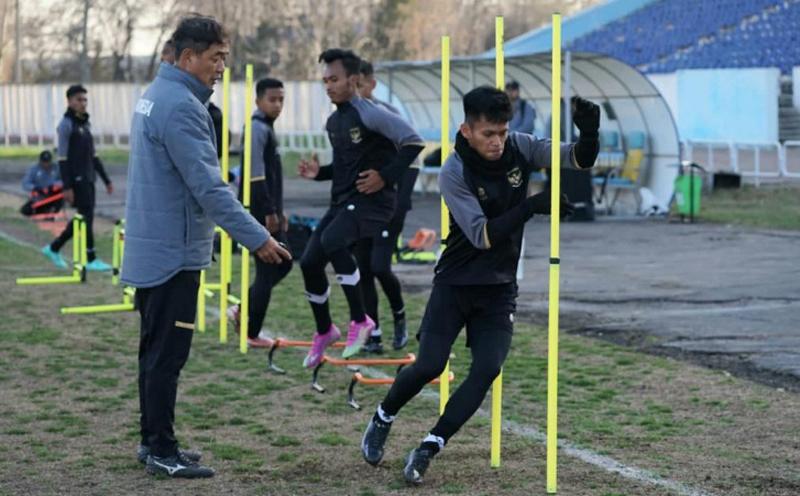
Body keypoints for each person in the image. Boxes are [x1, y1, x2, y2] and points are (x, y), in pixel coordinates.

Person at [360, 86, 600, 485]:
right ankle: (382, 417)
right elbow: (481, 235)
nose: (497, 141)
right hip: (455, 283)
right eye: (489, 133)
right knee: (430, 365)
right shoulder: (454, 171)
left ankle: (429, 446)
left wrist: (590, 134)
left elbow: (575, 159)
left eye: (502, 132)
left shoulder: (520, 146)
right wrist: (530, 206)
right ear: (467, 130)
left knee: (488, 367)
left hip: (499, 287)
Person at [122, 14, 291, 479]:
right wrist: (258, 238)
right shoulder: (180, 106)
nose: (221, 67)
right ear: (188, 56)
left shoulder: (159, 95)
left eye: (224, 58)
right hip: (171, 254)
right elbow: (210, 189)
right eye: (216, 58)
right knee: (166, 356)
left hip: (155, 247)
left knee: (154, 352)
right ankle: (160, 448)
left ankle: (153, 441)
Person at [297, 48, 424, 367]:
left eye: (335, 79)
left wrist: (385, 176)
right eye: (325, 80)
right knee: (310, 261)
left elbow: (414, 142)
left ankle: (361, 321)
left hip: (372, 203)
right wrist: (319, 174)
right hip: (342, 201)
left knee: (334, 243)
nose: (328, 85)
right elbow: (344, 166)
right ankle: (325, 330)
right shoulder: (333, 121)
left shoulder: (370, 113)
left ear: (353, 80)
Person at [355, 59, 418, 353]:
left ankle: (400, 316)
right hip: (361, 208)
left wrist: (400, 202)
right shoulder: (348, 118)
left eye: (360, 85)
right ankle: (374, 334)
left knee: (380, 266)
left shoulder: (387, 115)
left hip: (389, 207)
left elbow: (412, 157)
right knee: (364, 269)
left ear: (371, 84)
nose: (354, 91)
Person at [227, 78, 292, 347]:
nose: (277, 105)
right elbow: (255, 176)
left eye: (281, 100)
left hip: (269, 209)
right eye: (272, 99)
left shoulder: (266, 128)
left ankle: (242, 309)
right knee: (269, 269)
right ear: (258, 101)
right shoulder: (255, 128)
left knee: (284, 262)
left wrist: (279, 210)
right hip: (257, 210)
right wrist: (267, 211)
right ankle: (251, 333)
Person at [40, 84, 113, 271]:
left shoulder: (85, 124)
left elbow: (93, 156)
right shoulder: (66, 125)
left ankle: (54, 248)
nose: (83, 103)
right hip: (77, 179)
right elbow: (62, 158)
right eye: (79, 99)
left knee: (83, 217)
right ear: (70, 101)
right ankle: (90, 257)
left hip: (89, 177)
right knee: (85, 216)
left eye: (85, 99)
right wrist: (67, 187)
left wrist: (106, 179)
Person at [20, 150, 64, 216]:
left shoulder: (57, 168)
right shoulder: (34, 169)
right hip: (40, 195)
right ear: (40, 161)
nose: (46, 164)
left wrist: (54, 185)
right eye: (44, 162)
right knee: (25, 210)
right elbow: (25, 183)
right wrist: (35, 188)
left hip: (54, 195)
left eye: (48, 162)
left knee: (61, 193)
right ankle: (43, 211)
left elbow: (65, 180)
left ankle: (54, 211)